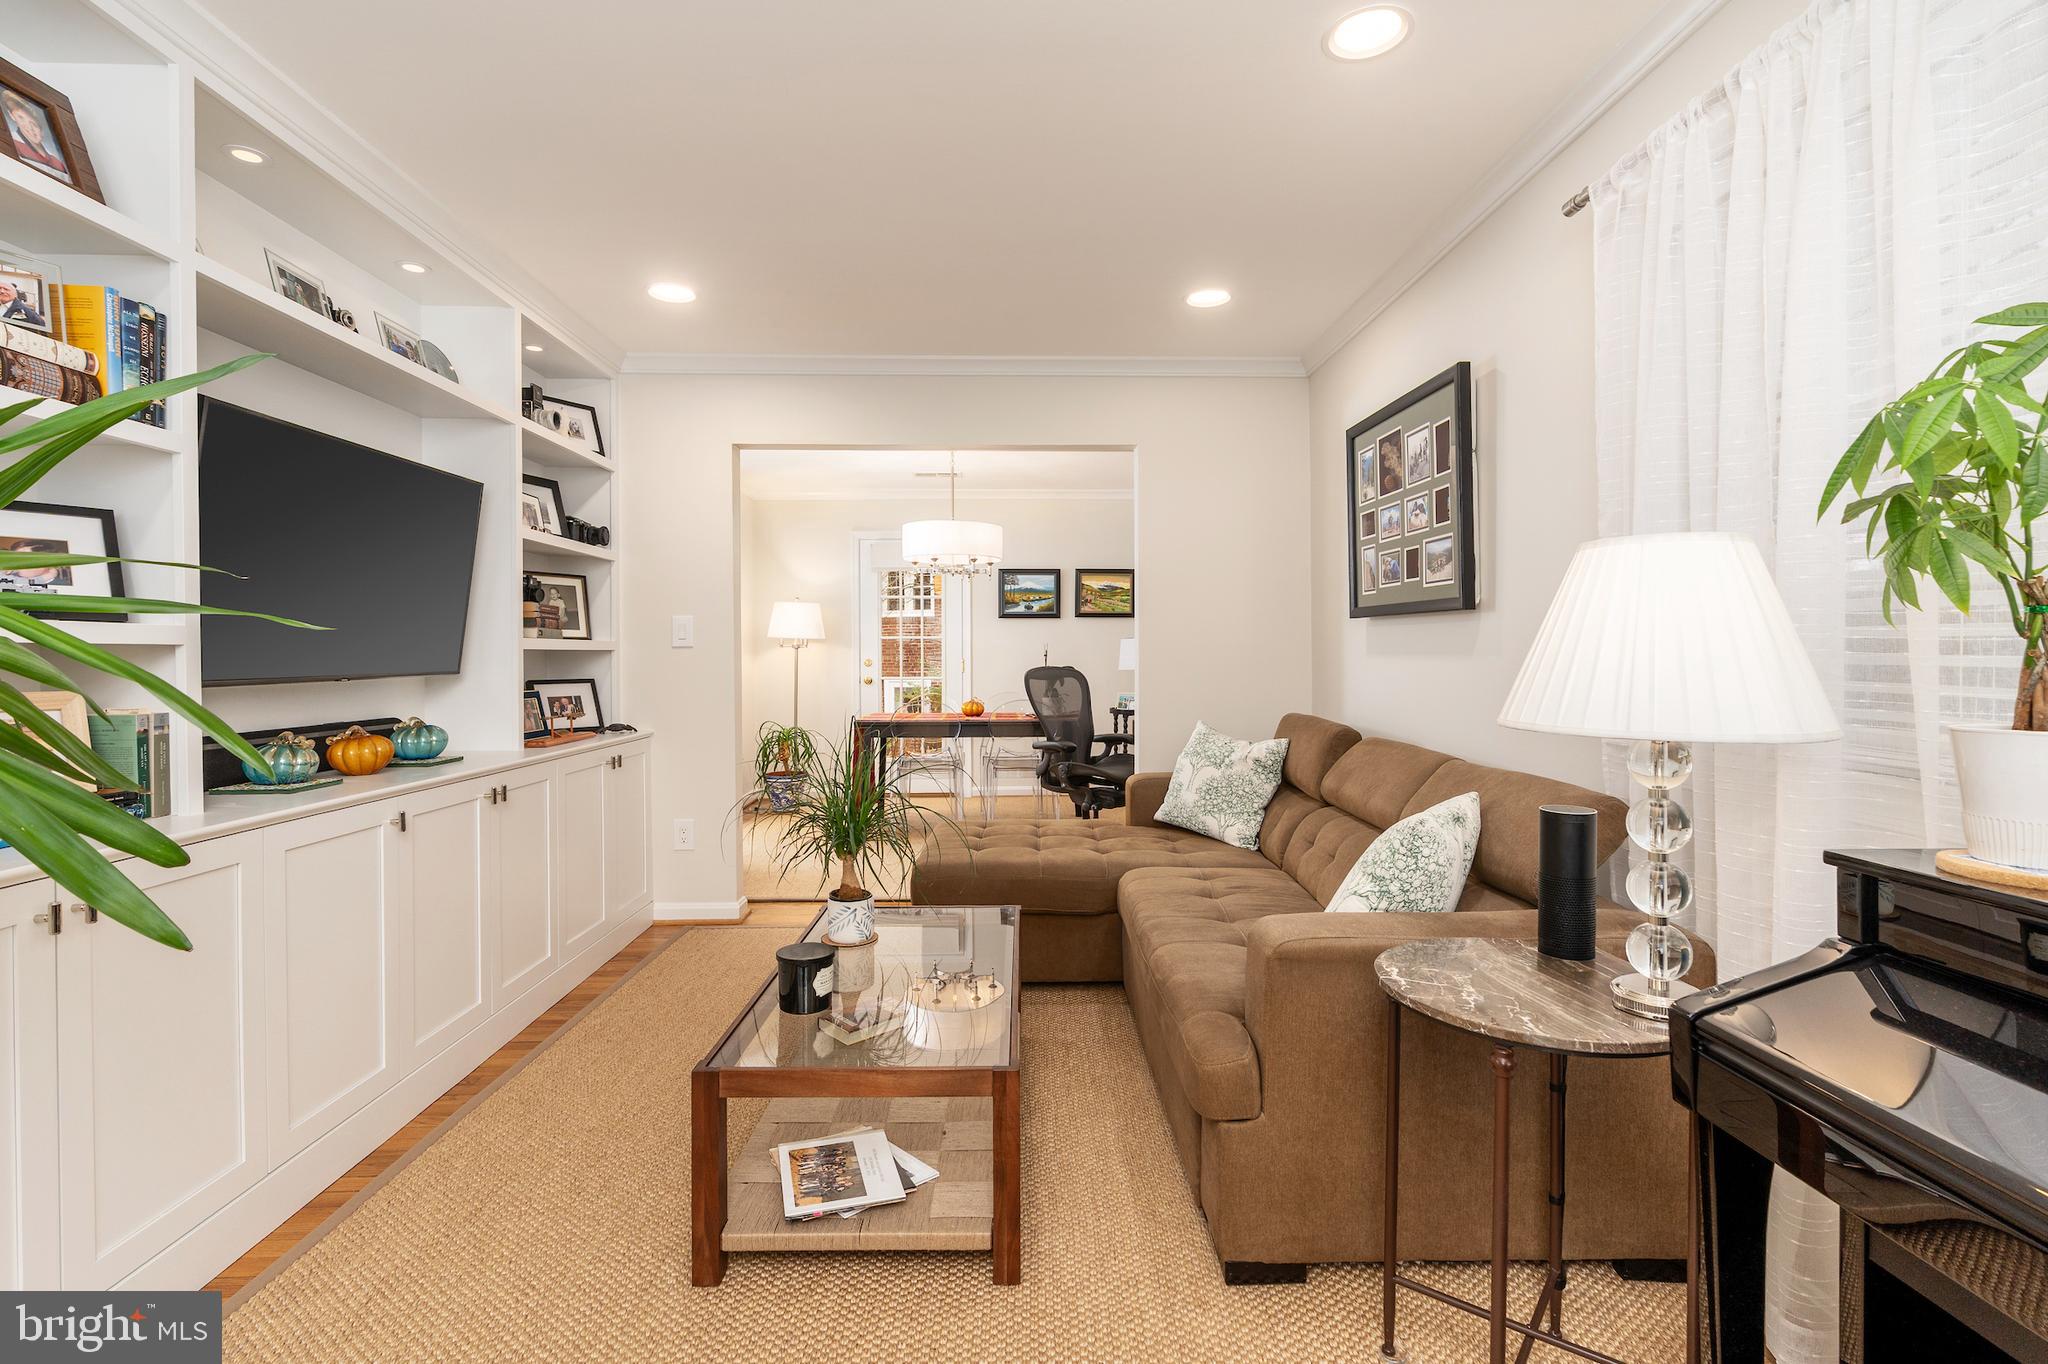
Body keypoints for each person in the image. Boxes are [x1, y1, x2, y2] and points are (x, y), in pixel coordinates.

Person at [2, 93, 70, 182]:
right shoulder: (12, 144)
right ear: (12, 116)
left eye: (33, 123)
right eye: (21, 118)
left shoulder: (58, 163)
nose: (29, 128)